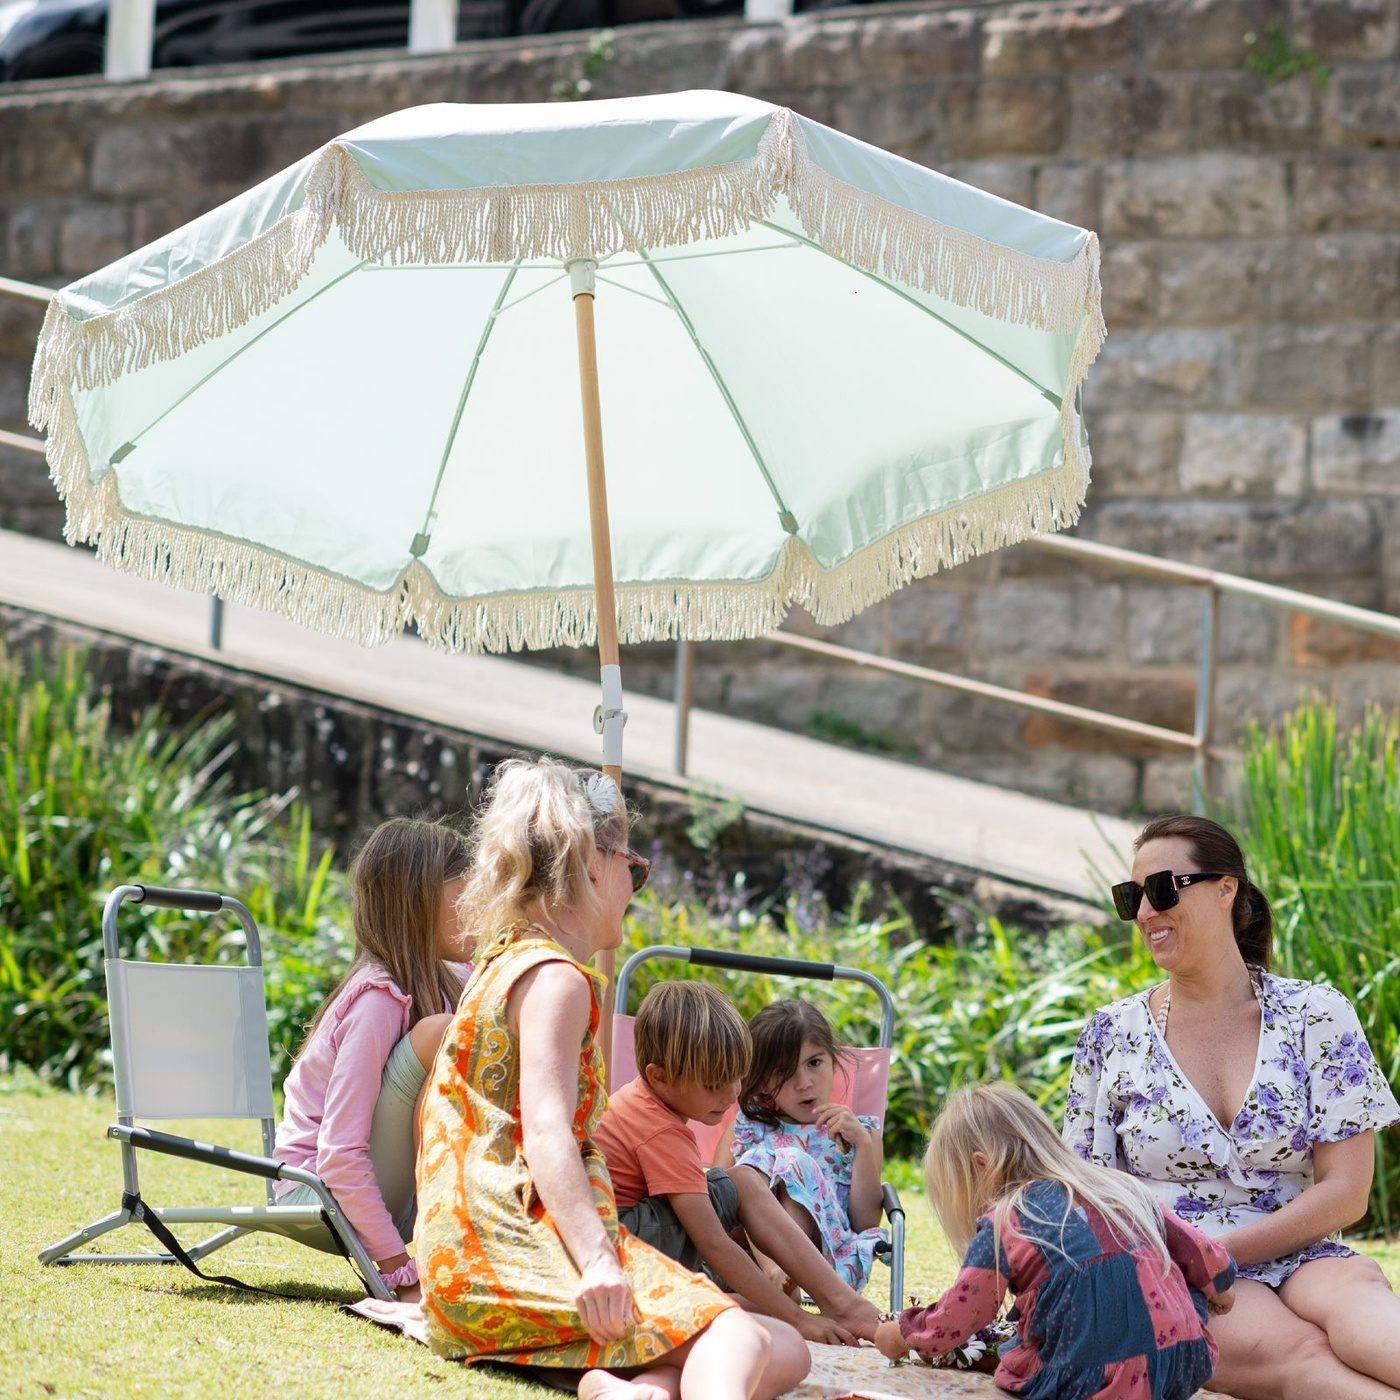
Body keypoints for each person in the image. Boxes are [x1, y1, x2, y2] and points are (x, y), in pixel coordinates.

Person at [414, 757, 810, 1400]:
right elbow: (547, 1132)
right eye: (636, 868)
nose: (636, 884)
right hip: (515, 1249)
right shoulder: (556, 979)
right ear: (593, 865)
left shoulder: (501, 963)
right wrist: (599, 1259)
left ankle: (630, 1387)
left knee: (785, 1345)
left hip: (461, 1262)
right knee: (743, 1338)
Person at [1065, 813, 1400, 1400]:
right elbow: (1087, 1192)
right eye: (1131, 896)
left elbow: (1347, 1189)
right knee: (1304, 1357)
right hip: (1177, 1276)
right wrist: (1185, 1261)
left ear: (1227, 889)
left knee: (1364, 1312)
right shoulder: (1109, 1035)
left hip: (1305, 1251)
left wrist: (1223, 1252)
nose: (1145, 912)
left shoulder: (1315, 1014)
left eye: (1164, 889)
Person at [874, 1082, 1237, 1399]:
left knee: (1019, 1356)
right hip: (1180, 1365)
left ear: (982, 1166)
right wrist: (1221, 1292)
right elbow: (1206, 1254)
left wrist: (904, 1334)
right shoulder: (1121, 1189)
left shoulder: (1006, 1220)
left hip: (1086, 1382)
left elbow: (961, 1316)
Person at [594, 980, 879, 1345]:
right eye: (714, 1084)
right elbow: (713, 1242)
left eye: (737, 1079)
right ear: (659, 1077)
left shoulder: (639, 1101)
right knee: (743, 1182)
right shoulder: (662, 1132)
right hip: (624, 1241)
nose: (732, 1095)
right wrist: (798, 1321)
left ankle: (728, 1303)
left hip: (621, 1240)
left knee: (762, 1271)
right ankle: (841, 1305)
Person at [273, 816, 471, 1301]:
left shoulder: (449, 978)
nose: (480, 907)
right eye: (466, 895)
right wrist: (397, 1268)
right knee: (438, 1034)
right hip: (317, 1191)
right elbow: (338, 1155)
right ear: (419, 902)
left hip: (376, 1193)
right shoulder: (377, 1001)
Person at [718, 999, 887, 1296]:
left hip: (828, 1252)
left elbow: (865, 1221)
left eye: (814, 1063)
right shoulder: (748, 1127)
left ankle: (781, 1275)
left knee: (791, 1162)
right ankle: (776, 1274)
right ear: (763, 1082)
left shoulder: (861, 1133)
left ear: (834, 1061)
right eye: (784, 1071)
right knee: (743, 1175)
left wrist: (860, 1144)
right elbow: (716, 1202)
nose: (804, 1082)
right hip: (753, 1251)